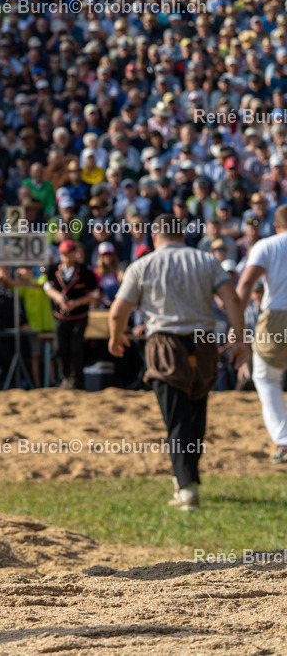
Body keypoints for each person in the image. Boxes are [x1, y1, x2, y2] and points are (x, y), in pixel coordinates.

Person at [109, 214, 248, 510]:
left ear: (154, 236)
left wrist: (116, 337)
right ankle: (186, 477)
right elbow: (233, 301)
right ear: (183, 235)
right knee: (195, 414)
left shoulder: (141, 265)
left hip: (166, 346)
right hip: (205, 344)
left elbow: (118, 310)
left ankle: (186, 488)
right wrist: (240, 341)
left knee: (177, 419)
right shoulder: (207, 261)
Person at [235, 205, 287, 463]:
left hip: (277, 314)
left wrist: (237, 327)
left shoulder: (267, 245)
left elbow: (245, 285)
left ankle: (285, 442)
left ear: (276, 226)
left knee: (266, 377)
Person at [45, 240, 99, 390]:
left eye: (69, 254)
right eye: (64, 254)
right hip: (61, 316)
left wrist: (77, 302)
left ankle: (77, 381)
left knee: (77, 348)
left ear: (75, 253)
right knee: (59, 348)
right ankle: (65, 377)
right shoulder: (53, 269)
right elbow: (47, 287)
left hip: (79, 316)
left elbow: (94, 294)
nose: (67, 257)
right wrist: (58, 297)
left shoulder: (85, 272)